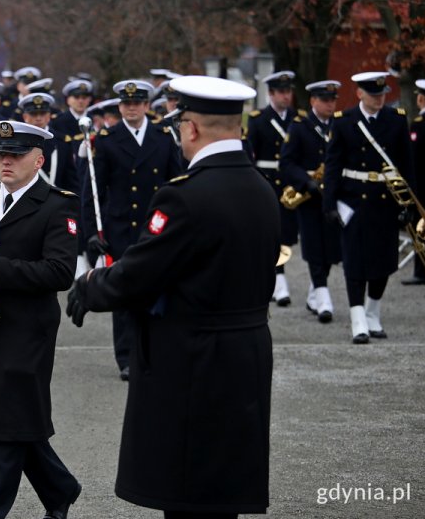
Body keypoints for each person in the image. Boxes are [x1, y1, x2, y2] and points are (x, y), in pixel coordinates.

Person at [67, 75, 278, 519]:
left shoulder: (185, 196)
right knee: (224, 488)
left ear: (193, 129)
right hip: (247, 353)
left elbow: (137, 277)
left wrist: (88, 287)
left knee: (187, 491)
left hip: (193, 359)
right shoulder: (261, 189)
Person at [0, 119, 82, 519]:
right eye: (2, 154)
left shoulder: (57, 204)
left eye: (15, 155)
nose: (5, 162)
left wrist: (0, 267)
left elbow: (60, 272)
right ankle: (60, 489)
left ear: (38, 160)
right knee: (17, 419)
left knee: (8, 427)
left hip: (28, 329)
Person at [82, 79, 182, 380]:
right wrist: (90, 235)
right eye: (126, 103)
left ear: (147, 105)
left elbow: (177, 186)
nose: (132, 108)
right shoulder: (107, 140)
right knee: (124, 292)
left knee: (157, 289)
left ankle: (156, 350)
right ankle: (126, 356)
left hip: (156, 227)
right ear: (119, 107)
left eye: (137, 102)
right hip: (120, 228)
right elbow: (93, 193)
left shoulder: (163, 137)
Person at [323, 71, 414, 343]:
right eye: (374, 94)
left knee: (383, 261)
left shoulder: (396, 120)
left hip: (384, 202)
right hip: (353, 201)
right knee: (354, 262)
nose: (380, 99)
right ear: (360, 94)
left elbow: (407, 166)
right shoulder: (344, 122)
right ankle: (358, 318)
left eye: (383, 93)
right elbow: (333, 166)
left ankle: (373, 312)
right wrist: (329, 203)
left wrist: (408, 203)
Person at [280, 80, 343, 322]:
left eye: (333, 100)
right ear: (313, 101)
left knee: (330, 248)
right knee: (314, 246)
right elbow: (286, 162)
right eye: (325, 100)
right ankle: (323, 296)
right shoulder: (300, 127)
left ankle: (315, 292)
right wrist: (305, 182)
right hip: (309, 197)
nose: (330, 104)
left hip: (332, 195)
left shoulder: (340, 124)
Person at [247, 70, 299, 306]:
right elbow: (251, 155)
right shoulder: (258, 119)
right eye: (280, 92)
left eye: (288, 91)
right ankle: (278, 279)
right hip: (267, 182)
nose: (285, 96)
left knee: (287, 232)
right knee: (269, 232)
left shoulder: (298, 118)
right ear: (271, 94)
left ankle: (282, 278)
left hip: (291, 184)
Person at [402, 79, 425, 285]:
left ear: (421, 98)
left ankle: (424, 271)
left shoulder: (420, 124)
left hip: (424, 187)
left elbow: (412, 158)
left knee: (423, 228)